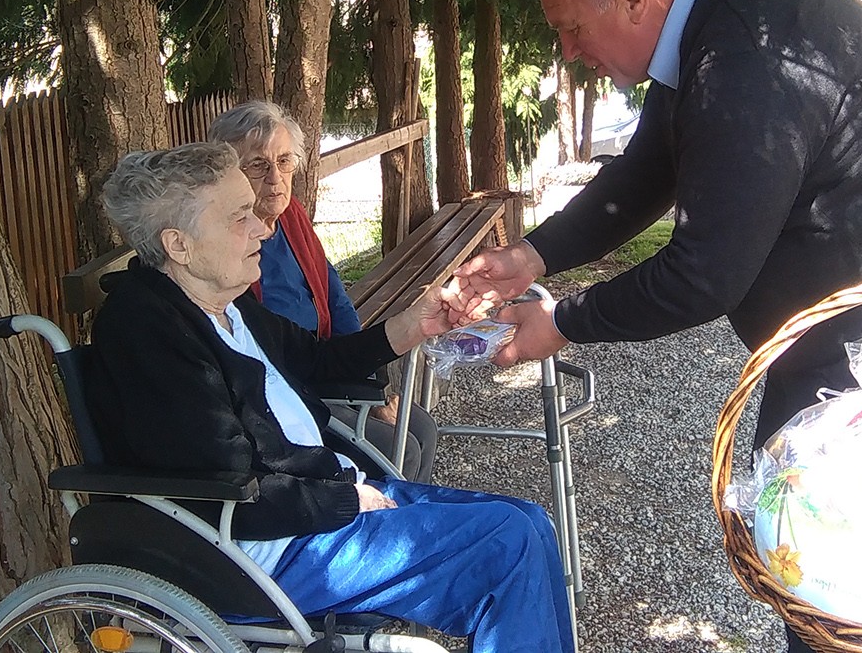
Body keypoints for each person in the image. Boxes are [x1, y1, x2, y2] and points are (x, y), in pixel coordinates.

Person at [455, 0, 862, 457]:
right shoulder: (708, 21)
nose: (569, 52)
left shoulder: (741, 57)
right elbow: (648, 171)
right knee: (777, 500)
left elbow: (704, 275)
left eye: (572, 28)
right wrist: (533, 255)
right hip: (838, 339)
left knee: (808, 509)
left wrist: (563, 322)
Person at [85, 142, 574, 653]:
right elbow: (222, 482)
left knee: (531, 522)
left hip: (317, 506)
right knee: (507, 542)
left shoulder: (227, 304)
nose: (263, 229)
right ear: (179, 245)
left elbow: (317, 360)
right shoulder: (147, 332)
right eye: (238, 217)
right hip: (263, 549)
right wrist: (342, 500)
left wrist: (416, 323)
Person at [208, 100, 439, 483]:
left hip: (325, 363)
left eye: (284, 161)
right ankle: (382, 517)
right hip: (290, 386)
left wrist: (370, 385)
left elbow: (335, 297)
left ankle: (414, 514)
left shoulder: (291, 217)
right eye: (257, 165)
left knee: (423, 428)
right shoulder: (227, 244)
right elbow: (256, 351)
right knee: (399, 447)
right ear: (229, 173)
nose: (275, 178)